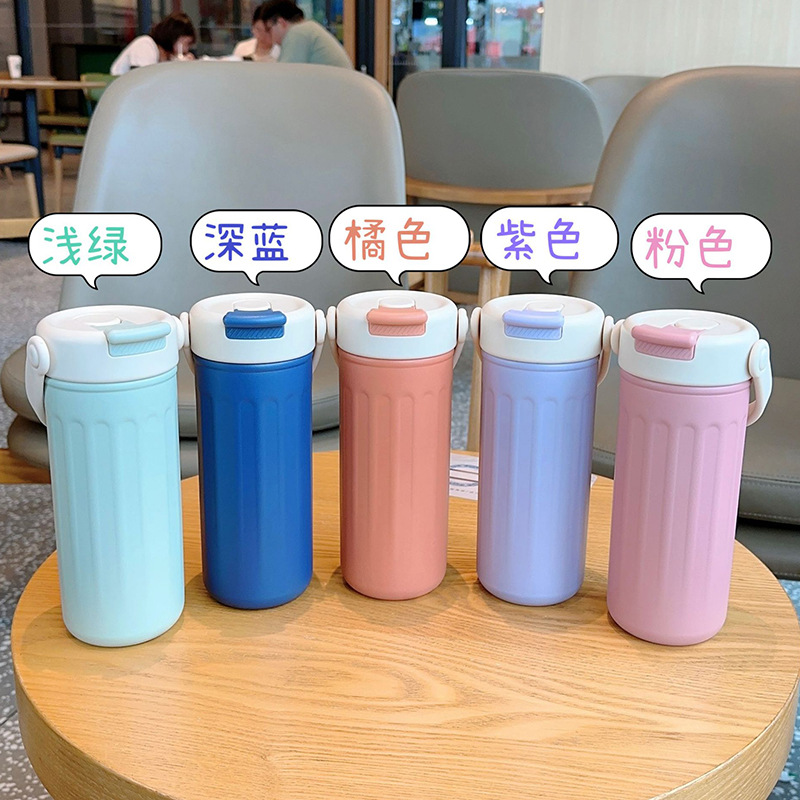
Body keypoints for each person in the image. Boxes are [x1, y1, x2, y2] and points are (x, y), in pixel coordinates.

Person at [257, 0, 352, 69]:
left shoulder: (298, 32)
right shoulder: (307, 29)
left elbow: (286, 76)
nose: (272, 40)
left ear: (281, 23)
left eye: (269, 30)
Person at [110, 13, 197, 76]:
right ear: (174, 37)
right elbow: (143, 79)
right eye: (187, 43)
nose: (187, 50)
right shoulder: (145, 45)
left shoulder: (165, 56)